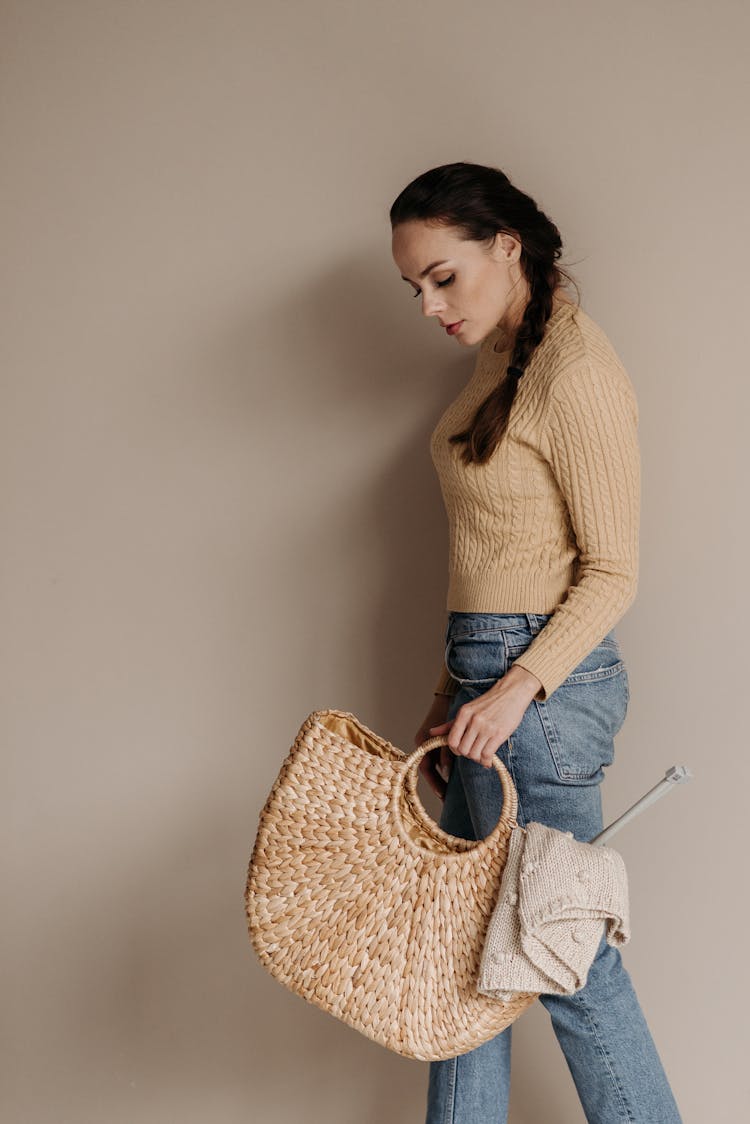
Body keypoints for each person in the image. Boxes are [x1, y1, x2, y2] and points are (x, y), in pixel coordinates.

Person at [389, 163, 682, 1124]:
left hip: (541, 697)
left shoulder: (576, 371)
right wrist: (450, 686)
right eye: (415, 288)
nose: (431, 305)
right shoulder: (501, 357)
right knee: (475, 958)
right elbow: (493, 555)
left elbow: (613, 573)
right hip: (488, 685)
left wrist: (514, 687)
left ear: (505, 246)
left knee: (564, 958)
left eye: (443, 276)